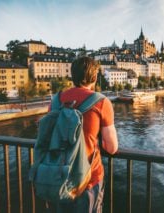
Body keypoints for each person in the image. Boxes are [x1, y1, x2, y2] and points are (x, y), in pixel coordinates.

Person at [53, 56, 118, 213]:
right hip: (88, 180)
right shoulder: (101, 102)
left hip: (58, 176)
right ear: (95, 77)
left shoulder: (56, 100)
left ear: (72, 75)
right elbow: (111, 148)